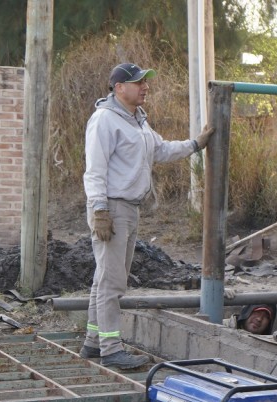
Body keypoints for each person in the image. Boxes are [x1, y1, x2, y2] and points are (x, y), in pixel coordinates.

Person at [80, 63, 214, 370]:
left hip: (127, 209)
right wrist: (99, 210)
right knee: (112, 281)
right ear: (118, 88)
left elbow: (162, 150)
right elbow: (95, 170)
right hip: (111, 208)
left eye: (145, 82)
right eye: (138, 82)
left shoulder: (138, 123)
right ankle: (111, 349)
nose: (145, 86)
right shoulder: (105, 121)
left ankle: (93, 342)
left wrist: (195, 144)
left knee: (106, 278)